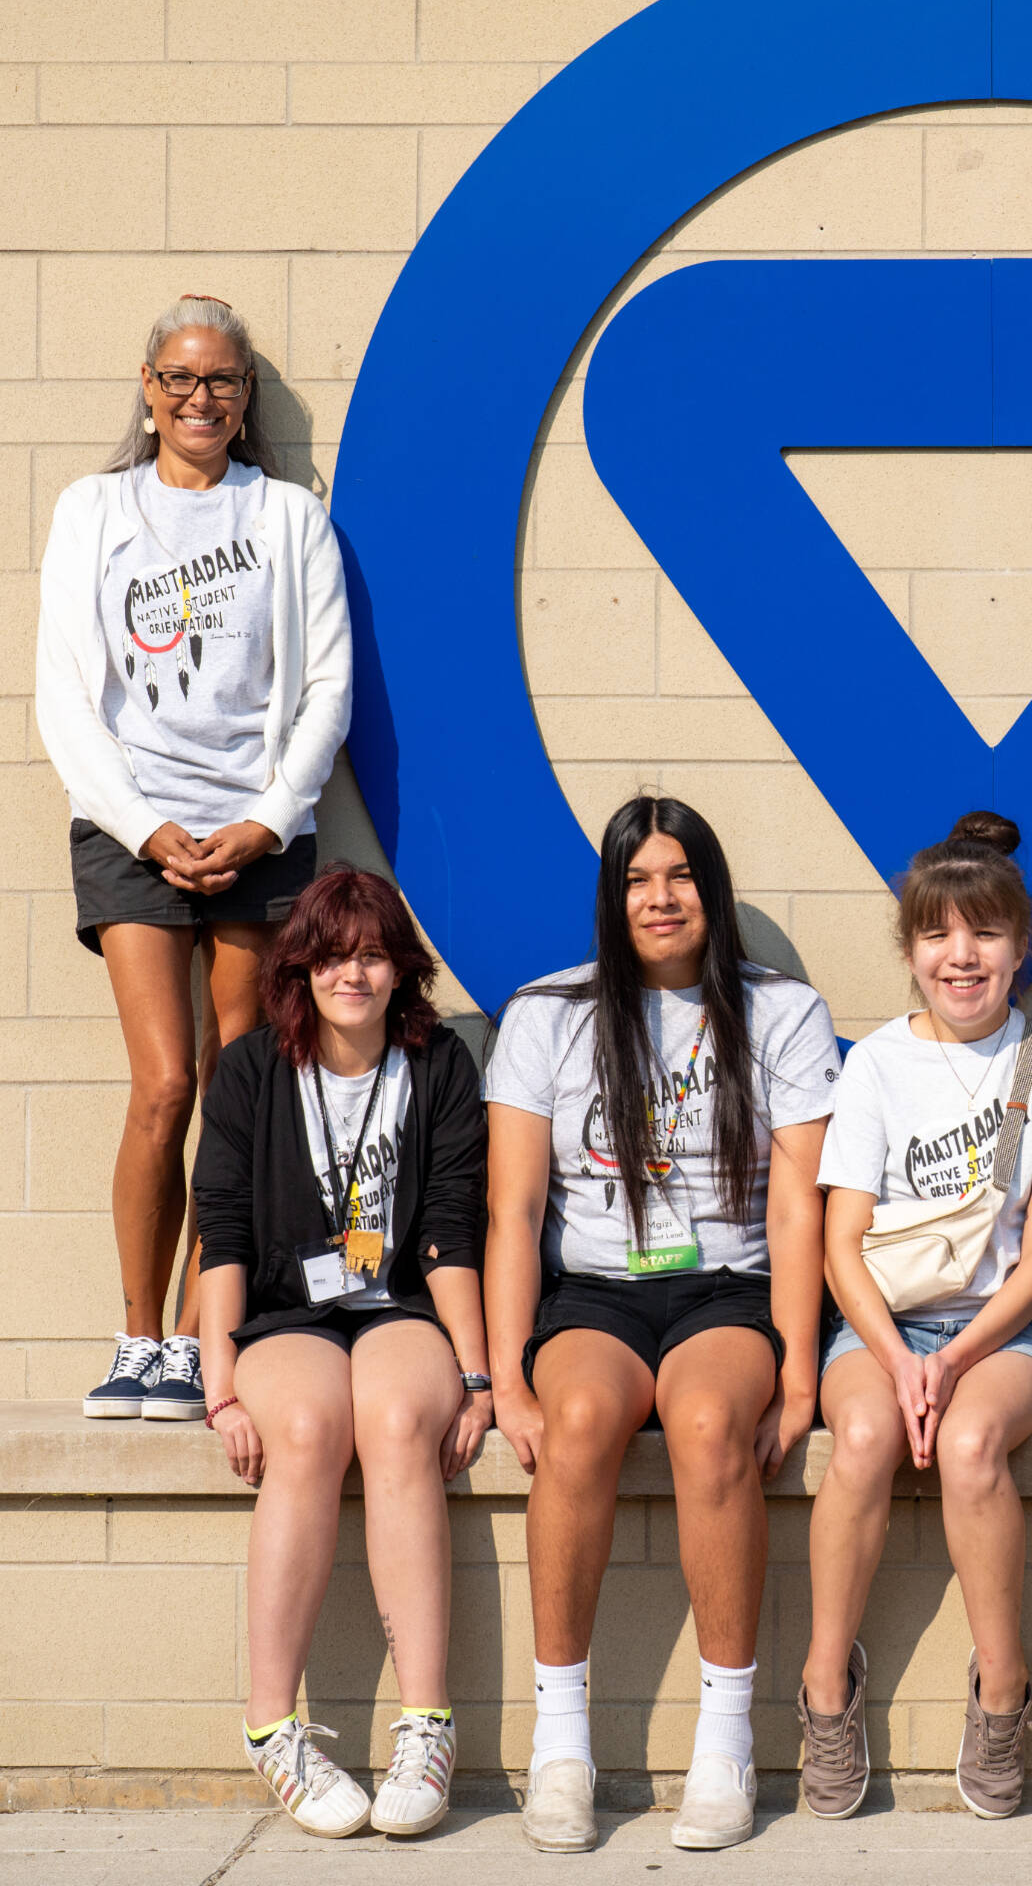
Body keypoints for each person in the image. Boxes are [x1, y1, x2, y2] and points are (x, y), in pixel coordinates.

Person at [483, 796, 838, 1855]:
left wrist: (803, 1375)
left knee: (705, 1424)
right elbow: (512, 1210)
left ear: (710, 889)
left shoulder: (780, 1011)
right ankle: (561, 1743)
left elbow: (795, 1204)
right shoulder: (547, 1012)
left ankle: (722, 1742)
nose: (660, 896)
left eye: (679, 875)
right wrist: (506, 1378)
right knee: (581, 1415)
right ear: (610, 896)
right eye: (637, 879)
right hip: (593, 1289)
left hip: (725, 1286)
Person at [36, 293, 352, 1421]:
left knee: (239, 1084)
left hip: (256, 833)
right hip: (133, 830)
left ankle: (191, 1329)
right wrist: (143, 825)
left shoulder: (286, 518)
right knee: (165, 1082)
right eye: (179, 378)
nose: (199, 397)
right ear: (148, 385)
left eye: (220, 379)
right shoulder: (93, 509)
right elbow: (64, 694)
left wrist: (267, 818)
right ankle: (134, 1335)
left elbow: (326, 686)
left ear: (245, 394)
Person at [800, 812, 1032, 1823]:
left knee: (971, 1441)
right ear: (910, 948)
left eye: (982, 934)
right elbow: (839, 1243)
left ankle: (1002, 1690)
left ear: (1021, 950)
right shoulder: (876, 1064)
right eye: (936, 934)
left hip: (1016, 1332)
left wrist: (958, 1356)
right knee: (861, 1433)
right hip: (884, 1325)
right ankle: (823, 1691)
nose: (959, 955)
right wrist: (896, 1357)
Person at [193, 864, 491, 1840]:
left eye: (369, 952)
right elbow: (224, 1235)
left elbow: (450, 1230)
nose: (350, 972)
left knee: (400, 1416)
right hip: (289, 1314)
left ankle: (425, 1722)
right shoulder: (249, 1070)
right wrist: (220, 1391)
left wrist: (478, 1376)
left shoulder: (440, 1065)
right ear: (301, 967)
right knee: (312, 1425)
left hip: (398, 1303)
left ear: (399, 967)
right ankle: (271, 1722)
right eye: (330, 953)